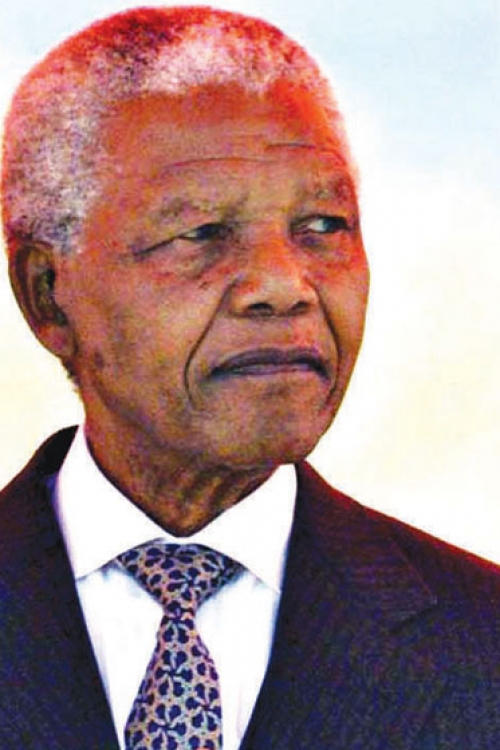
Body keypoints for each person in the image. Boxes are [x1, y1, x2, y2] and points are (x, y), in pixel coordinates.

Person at [1, 6, 500, 749]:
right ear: (47, 294)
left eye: (323, 226)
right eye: (201, 233)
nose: (284, 285)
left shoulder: (483, 646)